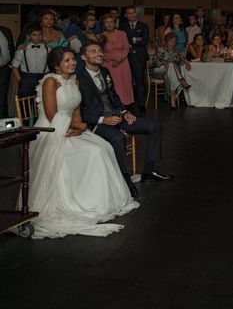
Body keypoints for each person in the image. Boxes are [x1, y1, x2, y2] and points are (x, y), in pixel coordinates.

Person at [28, 48, 139, 238]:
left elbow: (77, 110)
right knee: (92, 153)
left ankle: (103, 201)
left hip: (71, 126)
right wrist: (76, 125)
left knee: (103, 147)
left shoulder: (74, 80)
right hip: (52, 130)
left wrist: (80, 128)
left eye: (73, 59)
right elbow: (51, 114)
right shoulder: (50, 82)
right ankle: (86, 201)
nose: (72, 63)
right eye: (67, 60)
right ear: (57, 65)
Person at [78, 42, 174, 198]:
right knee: (118, 138)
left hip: (116, 117)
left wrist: (124, 112)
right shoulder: (79, 78)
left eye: (100, 50)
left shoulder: (105, 71)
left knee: (154, 125)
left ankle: (149, 170)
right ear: (83, 57)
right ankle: (125, 179)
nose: (99, 53)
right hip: (96, 123)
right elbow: (80, 110)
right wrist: (103, 119)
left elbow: (114, 96)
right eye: (92, 51)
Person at [99, 14, 135, 107]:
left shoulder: (122, 34)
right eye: (107, 22)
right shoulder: (101, 36)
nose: (109, 24)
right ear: (104, 24)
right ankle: (114, 104)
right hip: (109, 64)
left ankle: (125, 104)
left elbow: (126, 48)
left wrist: (120, 59)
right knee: (113, 84)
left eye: (111, 22)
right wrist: (111, 59)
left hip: (123, 63)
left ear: (115, 23)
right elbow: (100, 52)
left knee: (125, 83)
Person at [152, 33, 191, 109]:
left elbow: (181, 61)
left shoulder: (176, 51)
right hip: (159, 71)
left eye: (174, 41)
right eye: (171, 41)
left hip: (169, 74)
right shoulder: (160, 49)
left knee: (171, 69)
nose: (173, 43)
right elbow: (154, 61)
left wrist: (186, 61)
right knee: (171, 65)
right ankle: (182, 80)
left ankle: (172, 97)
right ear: (166, 41)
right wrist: (163, 62)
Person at [121, 6, 149, 113]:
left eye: (133, 12)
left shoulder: (144, 26)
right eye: (129, 13)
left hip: (139, 57)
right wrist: (135, 38)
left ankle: (141, 103)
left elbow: (144, 41)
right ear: (125, 15)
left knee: (140, 81)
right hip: (126, 57)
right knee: (127, 81)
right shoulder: (122, 27)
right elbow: (123, 41)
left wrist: (130, 39)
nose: (132, 15)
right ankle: (128, 102)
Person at [11, 25, 49, 97]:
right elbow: (14, 66)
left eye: (40, 34)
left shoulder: (48, 49)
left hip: (43, 79)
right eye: (34, 35)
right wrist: (20, 80)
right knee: (25, 105)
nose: (38, 37)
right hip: (26, 79)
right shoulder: (22, 50)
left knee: (42, 104)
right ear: (28, 37)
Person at [0, 25, 15, 118]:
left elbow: (11, 48)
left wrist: (10, 65)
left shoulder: (5, 30)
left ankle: (2, 121)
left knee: (2, 97)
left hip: (4, 69)